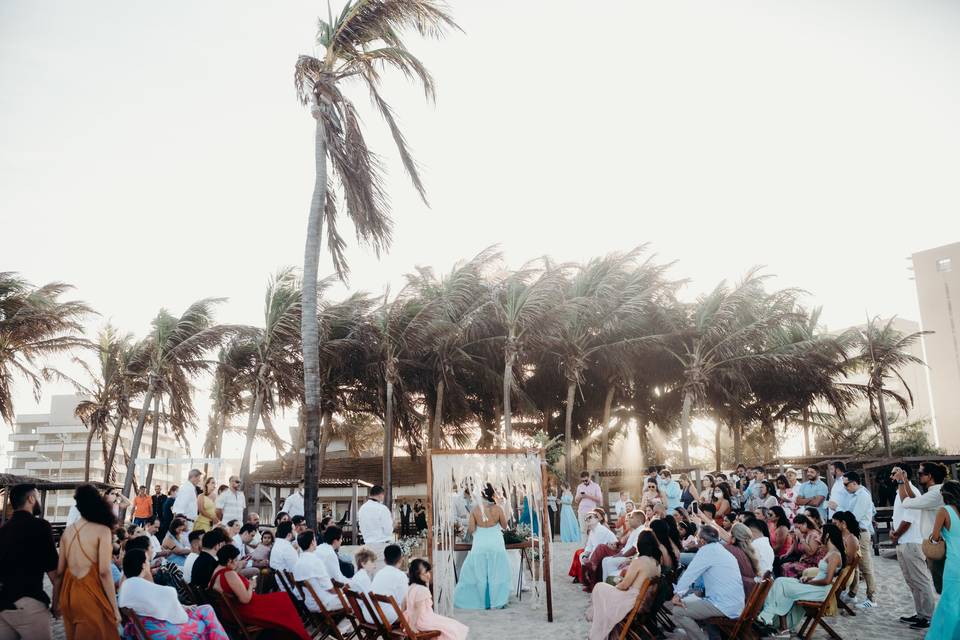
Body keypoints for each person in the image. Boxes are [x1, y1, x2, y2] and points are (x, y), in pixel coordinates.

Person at [119, 548, 229, 639]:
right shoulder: (163, 591)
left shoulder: (125, 588)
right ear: (143, 566)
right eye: (147, 561)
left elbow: (150, 607)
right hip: (168, 633)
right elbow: (181, 618)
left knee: (206, 609)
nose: (149, 564)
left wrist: (182, 607)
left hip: (148, 630)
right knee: (206, 621)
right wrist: (182, 608)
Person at [56, 484, 121, 639]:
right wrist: (114, 608)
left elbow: (59, 573)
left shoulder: (67, 532)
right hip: (90, 595)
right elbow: (105, 573)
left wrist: (55, 602)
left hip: (68, 594)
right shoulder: (102, 530)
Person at [757, 523, 846, 636]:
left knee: (782, 586)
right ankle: (778, 625)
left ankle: (769, 617)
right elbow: (824, 575)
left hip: (821, 591)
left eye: (821, 534)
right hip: (816, 585)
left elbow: (827, 580)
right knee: (780, 581)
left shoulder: (834, 555)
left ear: (827, 535)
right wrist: (808, 578)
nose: (818, 537)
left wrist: (810, 581)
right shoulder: (830, 552)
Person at [211, 544, 310, 640]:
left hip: (235, 611)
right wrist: (251, 585)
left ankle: (292, 634)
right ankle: (298, 635)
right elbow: (245, 599)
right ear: (229, 561)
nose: (237, 562)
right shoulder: (229, 574)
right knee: (283, 601)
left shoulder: (217, 571)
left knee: (281, 598)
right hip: (246, 610)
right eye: (236, 560)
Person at [0, 483, 60, 640]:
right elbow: (55, 573)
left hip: (3, 606)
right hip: (29, 604)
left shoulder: (3, 530)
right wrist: (56, 604)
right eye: (38, 496)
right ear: (31, 499)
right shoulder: (40, 526)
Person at [665, 526, 744, 640]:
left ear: (702, 541)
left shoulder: (707, 551)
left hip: (723, 605)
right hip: (734, 604)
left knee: (678, 611)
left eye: (697, 538)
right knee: (687, 604)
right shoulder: (720, 549)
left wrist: (677, 595)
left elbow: (690, 574)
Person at [586, 530, 661, 640]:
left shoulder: (639, 561)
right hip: (644, 600)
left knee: (600, 587)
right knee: (604, 591)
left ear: (640, 544)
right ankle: (605, 626)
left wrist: (616, 585)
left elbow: (625, 585)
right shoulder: (657, 564)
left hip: (632, 600)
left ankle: (598, 629)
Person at [888, 466, 936, 630]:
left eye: (895, 473)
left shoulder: (912, 491)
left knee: (921, 580)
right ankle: (920, 614)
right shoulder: (899, 491)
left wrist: (897, 534)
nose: (892, 476)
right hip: (903, 541)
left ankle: (928, 616)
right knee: (912, 581)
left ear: (904, 474)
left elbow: (909, 518)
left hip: (912, 542)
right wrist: (894, 532)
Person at [453, 483, 513, 609]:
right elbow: (504, 525)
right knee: (496, 572)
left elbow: (471, 528)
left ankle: (481, 601)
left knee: (479, 574)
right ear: (492, 494)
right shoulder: (498, 508)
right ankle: (497, 601)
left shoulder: (475, 510)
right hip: (496, 543)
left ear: (481, 495)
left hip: (480, 544)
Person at [901, 460, 948, 593]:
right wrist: (905, 481)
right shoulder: (935, 492)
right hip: (936, 544)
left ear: (930, 476)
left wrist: (900, 482)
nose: (918, 476)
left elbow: (906, 502)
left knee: (941, 586)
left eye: (920, 473)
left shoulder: (935, 494)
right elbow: (914, 498)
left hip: (938, 545)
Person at [927, 480, 960, 639]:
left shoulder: (944, 510)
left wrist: (934, 541)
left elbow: (935, 537)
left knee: (949, 602)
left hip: (955, 562)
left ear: (944, 494)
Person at [405, 559, 468, 640]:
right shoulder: (422, 590)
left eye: (428, 572)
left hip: (413, 618)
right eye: (425, 573)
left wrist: (405, 618)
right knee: (451, 627)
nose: (428, 575)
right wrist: (412, 626)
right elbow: (418, 609)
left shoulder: (410, 587)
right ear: (417, 575)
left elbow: (404, 605)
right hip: (421, 620)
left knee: (449, 623)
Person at [841, 471, 877, 608]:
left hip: (861, 533)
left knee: (865, 566)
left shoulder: (862, 496)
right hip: (854, 533)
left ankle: (872, 598)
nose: (845, 487)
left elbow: (853, 518)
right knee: (853, 565)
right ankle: (852, 594)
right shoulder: (853, 495)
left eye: (846, 484)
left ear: (854, 482)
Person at [291, 530, 342, 612]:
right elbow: (329, 588)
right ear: (312, 542)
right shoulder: (315, 561)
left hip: (309, 602)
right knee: (356, 601)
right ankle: (345, 624)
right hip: (323, 603)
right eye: (315, 539)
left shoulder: (297, 562)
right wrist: (341, 593)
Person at [570, 511, 616, 583]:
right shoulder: (592, 531)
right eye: (586, 518)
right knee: (582, 555)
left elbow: (598, 548)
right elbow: (589, 546)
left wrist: (588, 558)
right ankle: (584, 579)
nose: (587, 519)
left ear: (597, 519)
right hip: (598, 553)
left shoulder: (601, 530)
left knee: (588, 560)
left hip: (609, 552)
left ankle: (590, 580)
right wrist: (584, 555)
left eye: (590, 517)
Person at [370, 544, 408, 624]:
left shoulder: (379, 573)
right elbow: (404, 601)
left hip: (375, 614)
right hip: (390, 617)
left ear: (385, 561)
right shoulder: (401, 575)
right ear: (401, 559)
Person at [357, 485, 394, 566]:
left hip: (367, 545)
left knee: (370, 573)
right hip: (381, 546)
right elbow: (388, 530)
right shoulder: (382, 509)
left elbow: (360, 527)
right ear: (381, 495)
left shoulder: (362, 509)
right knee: (381, 573)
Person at [781, 514, 825, 578]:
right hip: (804, 560)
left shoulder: (813, 535)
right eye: (795, 528)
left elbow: (811, 552)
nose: (797, 530)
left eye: (798, 527)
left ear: (805, 524)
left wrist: (801, 538)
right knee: (783, 565)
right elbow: (797, 552)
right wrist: (794, 539)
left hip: (813, 564)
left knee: (788, 568)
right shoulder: (804, 534)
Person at [726, 523, 760, 598]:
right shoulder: (749, 553)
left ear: (733, 537)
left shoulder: (730, 550)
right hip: (749, 594)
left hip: (739, 595)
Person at [269, 521, 300, 589]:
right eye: (294, 530)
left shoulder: (278, 544)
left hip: (283, 586)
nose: (296, 532)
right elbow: (297, 570)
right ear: (289, 534)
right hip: (293, 589)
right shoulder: (287, 548)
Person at [574, 471, 603, 542]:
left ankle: (593, 546)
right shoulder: (580, 486)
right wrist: (580, 496)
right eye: (583, 481)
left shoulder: (596, 486)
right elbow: (576, 500)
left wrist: (587, 496)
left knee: (593, 529)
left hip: (592, 511)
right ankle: (585, 548)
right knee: (583, 530)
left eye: (586, 480)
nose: (584, 482)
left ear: (589, 477)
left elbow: (599, 499)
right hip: (581, 511)